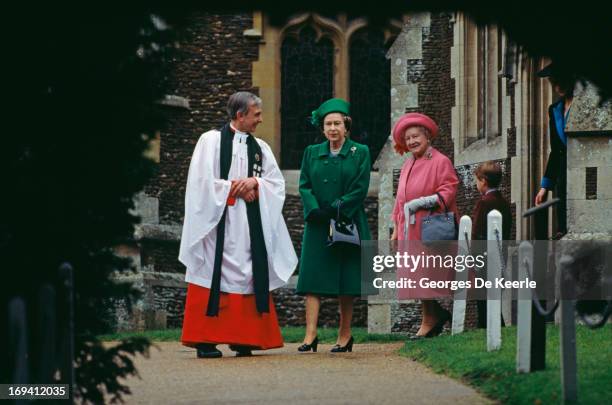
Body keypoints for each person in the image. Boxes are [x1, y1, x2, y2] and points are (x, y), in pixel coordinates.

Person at [179, 91, 298, 358]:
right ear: (240, 115)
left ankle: (244, 339)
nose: (260, 120)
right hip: (217, 222)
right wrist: (234, 187)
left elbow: (276, 183)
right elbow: (199, 182)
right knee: (212, 272)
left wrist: (256, 183)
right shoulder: (210, 141)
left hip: (248, 226)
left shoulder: (262, 148)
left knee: (248, 273)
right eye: (256, 115)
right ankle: (205, 341)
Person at [296, 98, 371, 353]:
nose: (332, 129)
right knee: (312, 280)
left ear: (346, 125)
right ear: (323, 127)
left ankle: (345, 334)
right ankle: (310, 336)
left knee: (346, 282)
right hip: (317, 223)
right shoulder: (311, 152)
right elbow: (304, 183)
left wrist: (337, 207)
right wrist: (314, 208)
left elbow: (360, 188)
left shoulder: (360, 152)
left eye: (337, 123)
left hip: (347, 222)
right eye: (328, 124)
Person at [390, 112, 459, 338]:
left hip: (430, 226)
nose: (411, 142)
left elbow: (448, 190)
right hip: (409, 228)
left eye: (416, 136)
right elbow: (400, 200)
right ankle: (431, 316)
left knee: (426, 276)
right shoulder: (409, 163)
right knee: (416, 276)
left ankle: (431, 318)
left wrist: (421, 202)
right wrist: (395, 228)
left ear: (427, 136)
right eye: (408, 138)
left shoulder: (440, 161)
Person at [534, 63, 576, 237]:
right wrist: (545, 187)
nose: (557, 87)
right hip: (562, 176)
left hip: (582, 171)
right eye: (554, 83)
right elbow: (556, 150)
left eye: (561, 81)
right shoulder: (554, 110)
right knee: (563, 226)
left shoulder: (582, 106)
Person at [471, 161, 512, 328]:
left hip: (484, 258)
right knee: (494, 298)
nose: (476, 184)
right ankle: (495, 327)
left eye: (476, 180)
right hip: (500, 256)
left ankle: (484, 328)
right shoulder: (503, 202)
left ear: (483, 181)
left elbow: (477, 232)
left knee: (483, 300)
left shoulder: (484, 203)